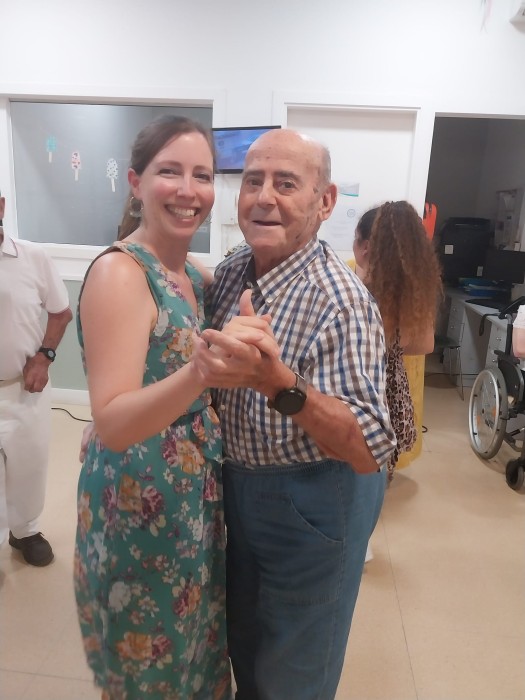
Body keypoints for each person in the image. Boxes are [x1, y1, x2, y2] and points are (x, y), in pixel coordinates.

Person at [190, 128, 396, 700]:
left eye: (286, 184)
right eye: (253, 181)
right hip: (238, 486)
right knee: (245, 642)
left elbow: (369, 448)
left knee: (296, 669)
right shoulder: (233, 273)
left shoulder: (341, 301)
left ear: (324, 201)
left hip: (314, 496)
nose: (264, 198)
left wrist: (275, 381)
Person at [74, 116, 272, 699]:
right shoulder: (120, 273)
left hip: (189, 497)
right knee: (149, 668)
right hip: (139, 501)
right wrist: (199, 373)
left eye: (202, 175)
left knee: (190, 655)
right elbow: (113, 423)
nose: (189, 190)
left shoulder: (189, 274)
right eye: (170, 172)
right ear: (136, 182)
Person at [0, 190, 72, 567]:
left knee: (28, 466)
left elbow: (61, 312)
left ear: (1, 206)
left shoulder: (32, 257)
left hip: (23, 388)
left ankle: (25, 531)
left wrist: (44, 358)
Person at [353, 201, 442, 482]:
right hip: (393, 388)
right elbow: (426, 345)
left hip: (360, 390)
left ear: (365, 247)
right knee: (380, 462)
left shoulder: (352, 287)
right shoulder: (412, 289)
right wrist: (392, 347)